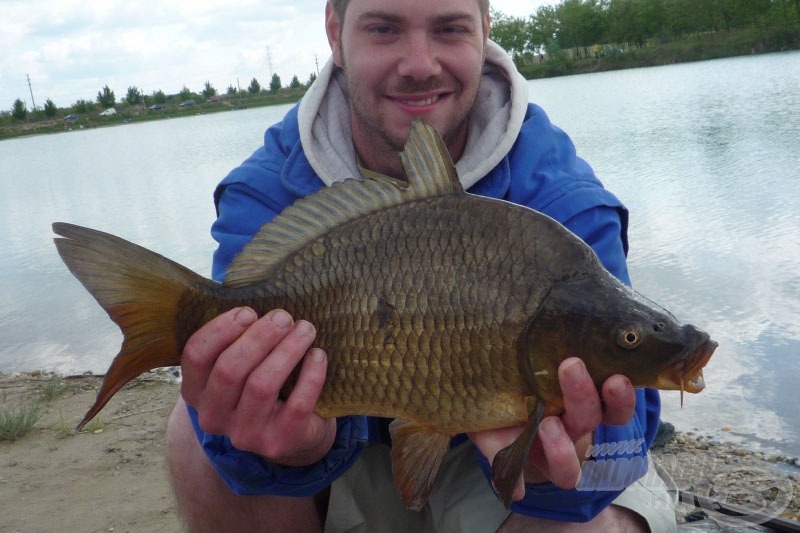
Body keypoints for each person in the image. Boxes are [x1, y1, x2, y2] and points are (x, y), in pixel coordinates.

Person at [165, 0, 677, 531]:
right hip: (343, 454)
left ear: (484, 31)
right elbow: (230, 432)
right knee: (192, 429)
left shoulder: (563, 201)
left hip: (496, 471)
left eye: (449, 29)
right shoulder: (267, 189)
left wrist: (558, 472)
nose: (419, 64)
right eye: (384, 29)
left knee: (590, 524)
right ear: (335, 33)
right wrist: (297, 448)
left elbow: (624, 446)